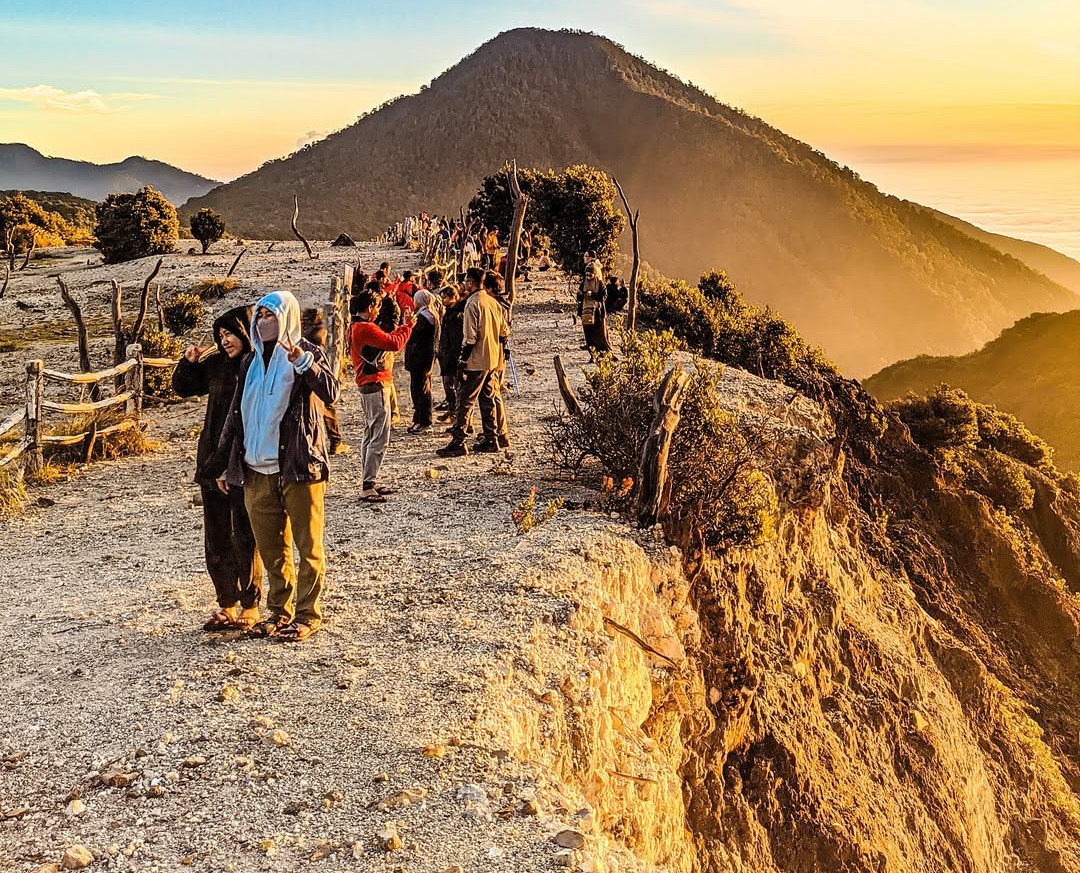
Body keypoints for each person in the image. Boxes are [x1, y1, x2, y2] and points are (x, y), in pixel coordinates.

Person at [210, 290, 339, 643]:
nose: (262, 321)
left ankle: (307, 614)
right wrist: (226, 465)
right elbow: (239, 417)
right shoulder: (249, 363)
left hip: (298, 467)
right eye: (260, 316)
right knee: (272, 550)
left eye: (270, 315)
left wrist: (302, 362)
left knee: (307, 546)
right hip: (255, 470)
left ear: (286, 317)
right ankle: (279, 612)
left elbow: (331, 392)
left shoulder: (309, 354)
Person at [172, 305, 263, 633]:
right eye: (220, 335)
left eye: (230, 333)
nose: (225, 340)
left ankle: (251, 604)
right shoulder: (216, 365)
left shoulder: (256, 366)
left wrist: (230, 466)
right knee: (216, 537)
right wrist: (188, 362)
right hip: (210, 460)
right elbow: (182, 387)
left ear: (245, 331)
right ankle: (226, 604)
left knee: (245, 536)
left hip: (243, 461)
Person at [349, 288, 415, 501]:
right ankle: (368, 484)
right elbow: (394, 343)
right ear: (370, 308)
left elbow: (386, 339)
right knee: (379, 435)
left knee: (371, 433)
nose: (378, 312)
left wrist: (402, 327)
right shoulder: (366, 328)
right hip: (375, 383)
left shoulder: (356, 327)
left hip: (368, 384)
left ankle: (370, 479)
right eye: (376, 308)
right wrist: (409, 326)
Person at [437, 267, 510, 457]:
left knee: (465, 400)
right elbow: (504, 332)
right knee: (488, 399)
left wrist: (462, 360)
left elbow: (470, 337)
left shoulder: (472, 303)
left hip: (476, 359)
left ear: (470, 282)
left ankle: (459, 440)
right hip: (493, 358)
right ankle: (491, 437)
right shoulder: (493, 302)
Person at [302, 307, 350, 455]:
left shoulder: (301, 334)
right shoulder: (318, 333)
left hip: (309, 374)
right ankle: (335, 441)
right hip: (317, 374)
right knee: (328, 406)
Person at [404, 284, 441, 434]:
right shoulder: (424, 315)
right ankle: (418, 418)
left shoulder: (426, 318)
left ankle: (425, 420)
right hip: (419, 357)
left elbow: (413, 336)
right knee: (417, 388)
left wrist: (407, 323)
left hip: (421, 357)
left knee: (422, 389)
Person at [437, 283, 465, 421]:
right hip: (446, 353)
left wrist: (453, 356)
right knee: (448, 384)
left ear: (453, 297)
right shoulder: (449, 312)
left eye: (445, 298)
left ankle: (456, 413)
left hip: (453, 355)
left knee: (454, 386)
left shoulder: (458, 315)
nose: (443, 301)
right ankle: (452, 409)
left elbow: (457, 339)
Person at [577, 261, 610, 352]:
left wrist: (592, 295)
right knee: (588, 335)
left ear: (595, 274)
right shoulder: (583, 283)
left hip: (597, 312)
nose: (588, 277)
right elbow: (578, 297)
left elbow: (603, 297)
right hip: (586, 311)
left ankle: (603, 353)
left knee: (599, 334)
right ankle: (592, 354)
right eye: (586, 275)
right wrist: (581, 294)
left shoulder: (600, 284)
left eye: (590, 275)